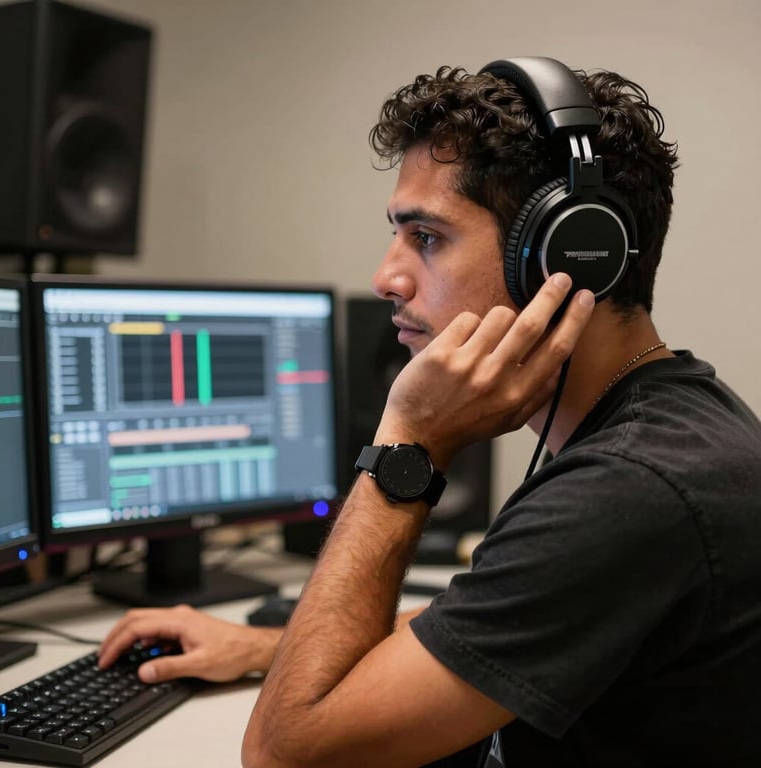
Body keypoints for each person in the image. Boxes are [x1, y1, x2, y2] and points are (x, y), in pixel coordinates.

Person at [98, 59, 761, 767]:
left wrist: (408, 443)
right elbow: (512, 614)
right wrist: (265, 647)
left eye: (428, 237)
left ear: (568, 256)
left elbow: (285, 751)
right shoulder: (667, 422)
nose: (386, 277)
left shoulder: (633, 488)